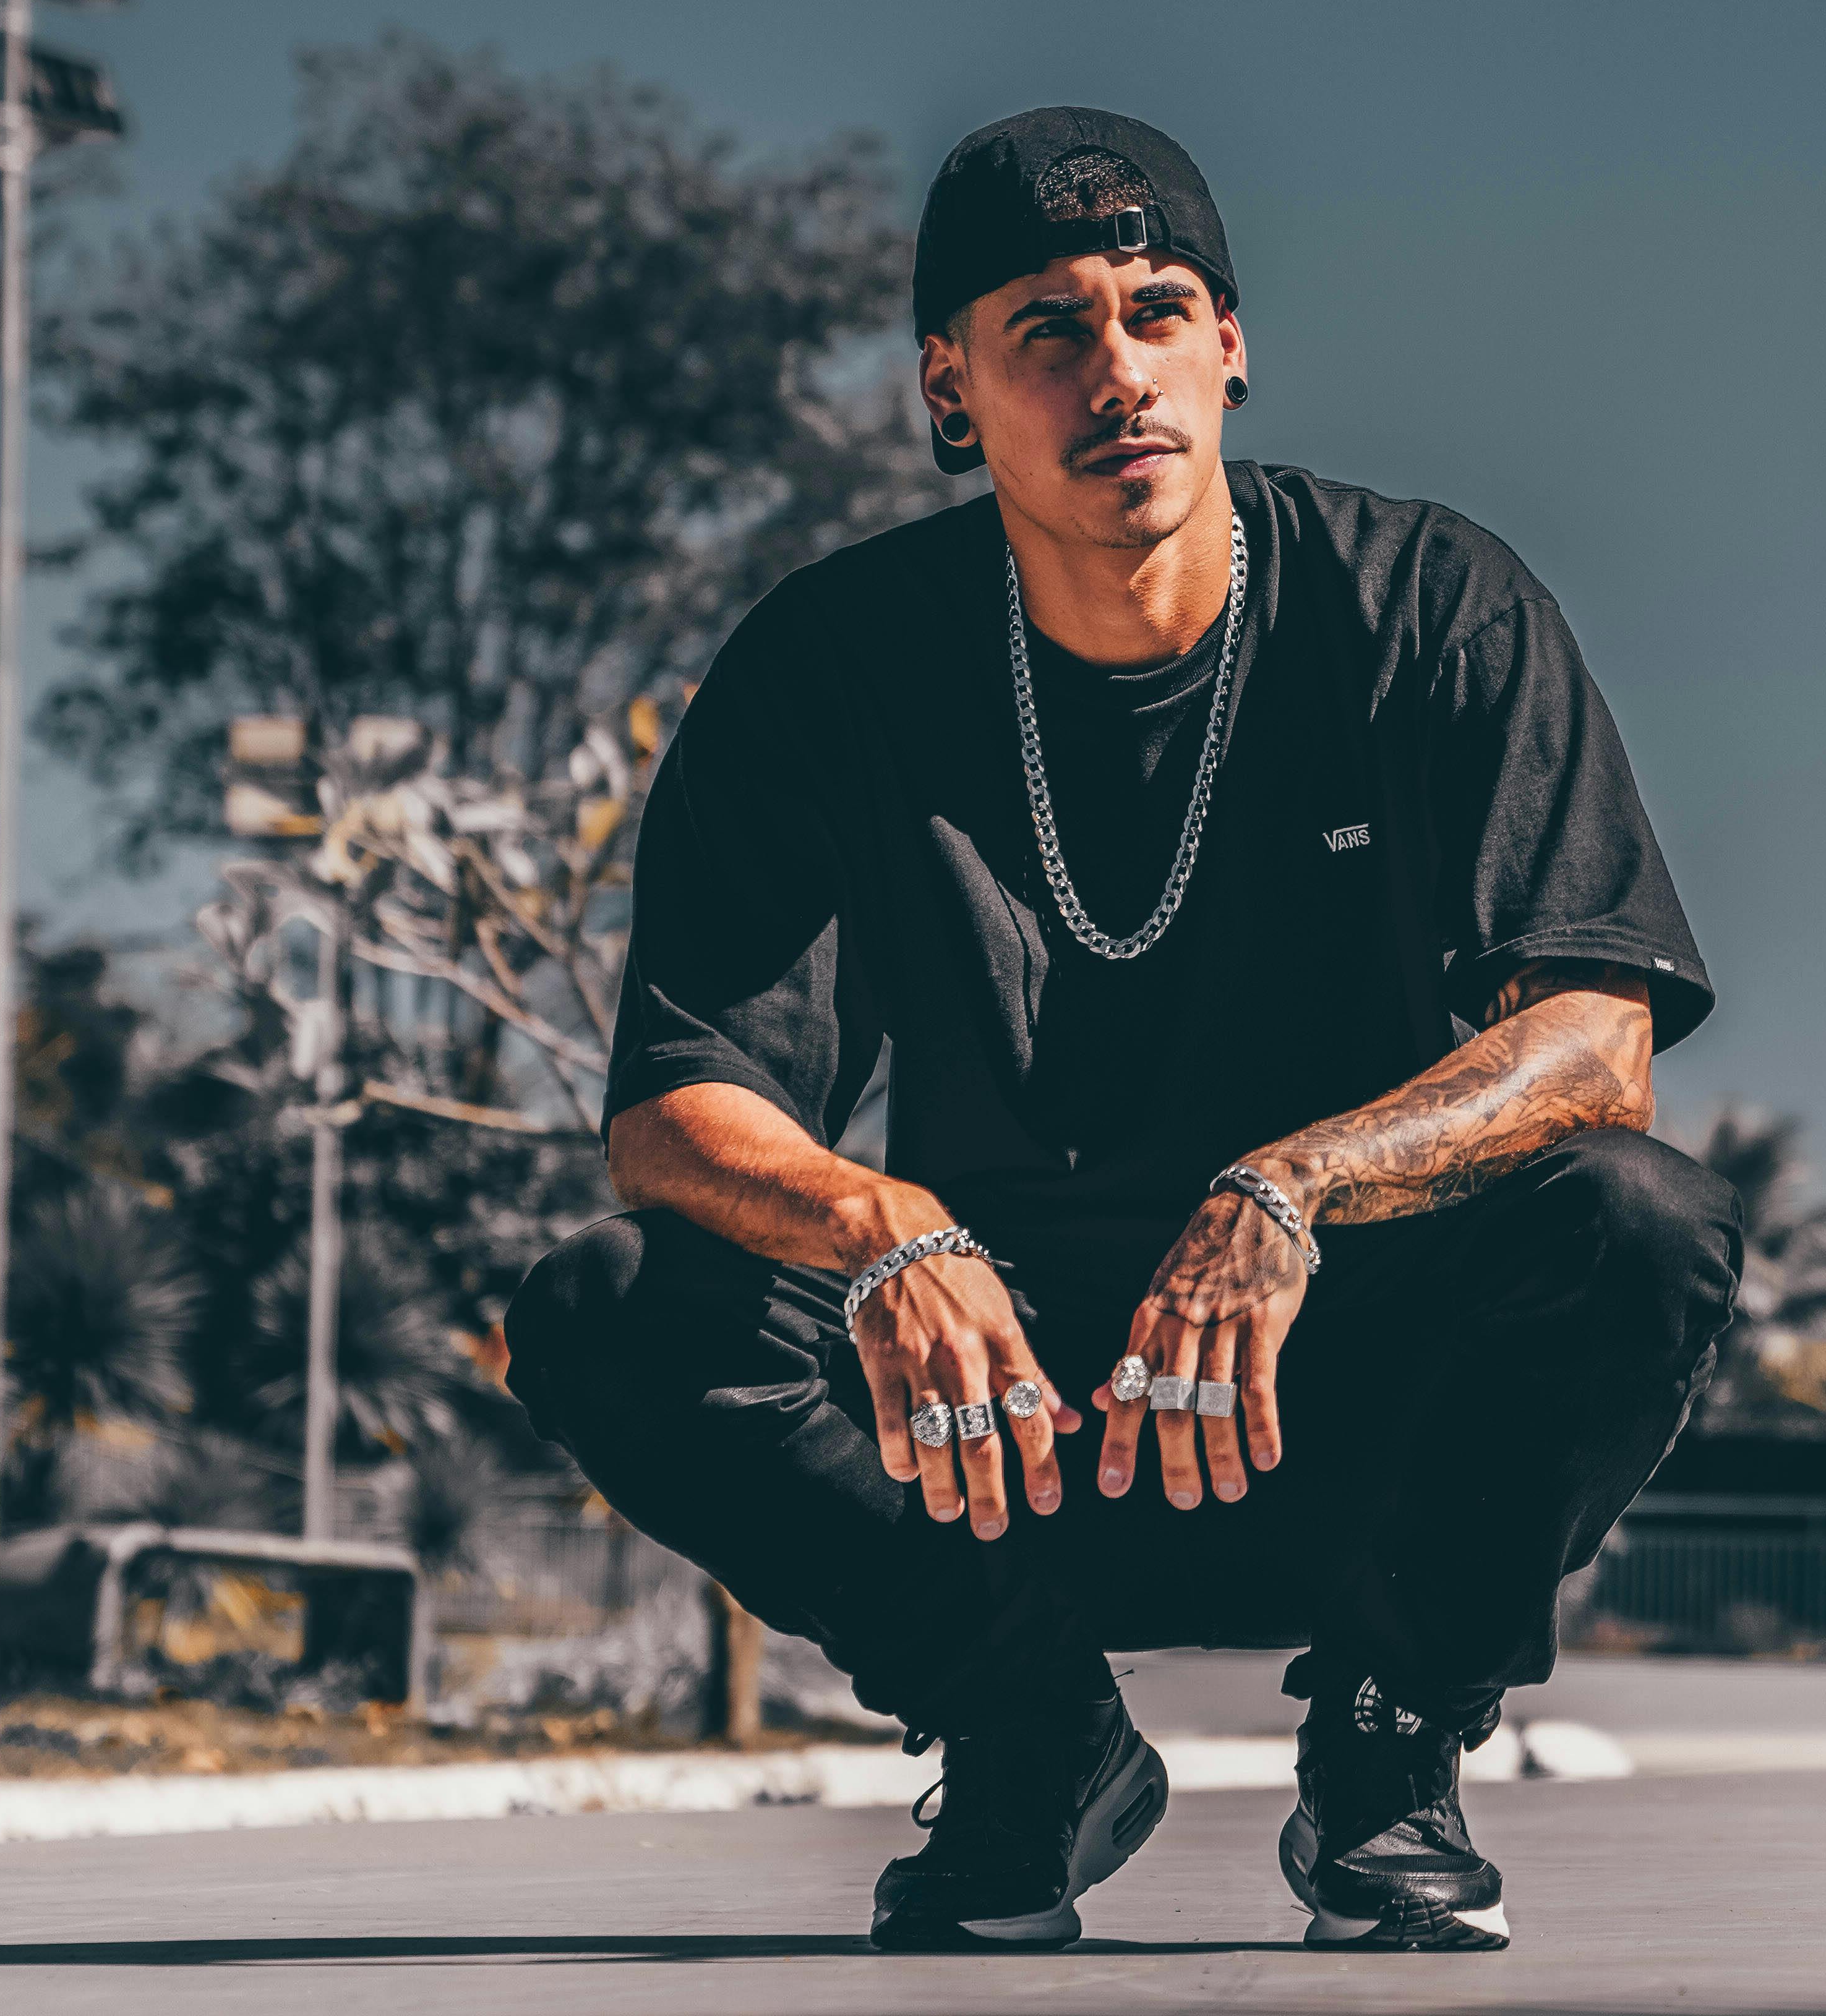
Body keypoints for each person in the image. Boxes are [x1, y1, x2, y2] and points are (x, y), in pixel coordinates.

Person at [504, 105, 1741, 1954]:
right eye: (1048, 331)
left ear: (1229, 345)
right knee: (608, 1307)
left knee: (1640, 1222)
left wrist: (1292, 1188)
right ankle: (1030, 1740)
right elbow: (680, 1106)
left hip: (1350, 1410)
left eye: (1158, 312)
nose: (1118, 374)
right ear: (950, 387)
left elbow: (1593, 1042)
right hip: (994, 1441)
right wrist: (882, 1232)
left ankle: (1391, 1749)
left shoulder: (1427, 608)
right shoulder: (833, 668)